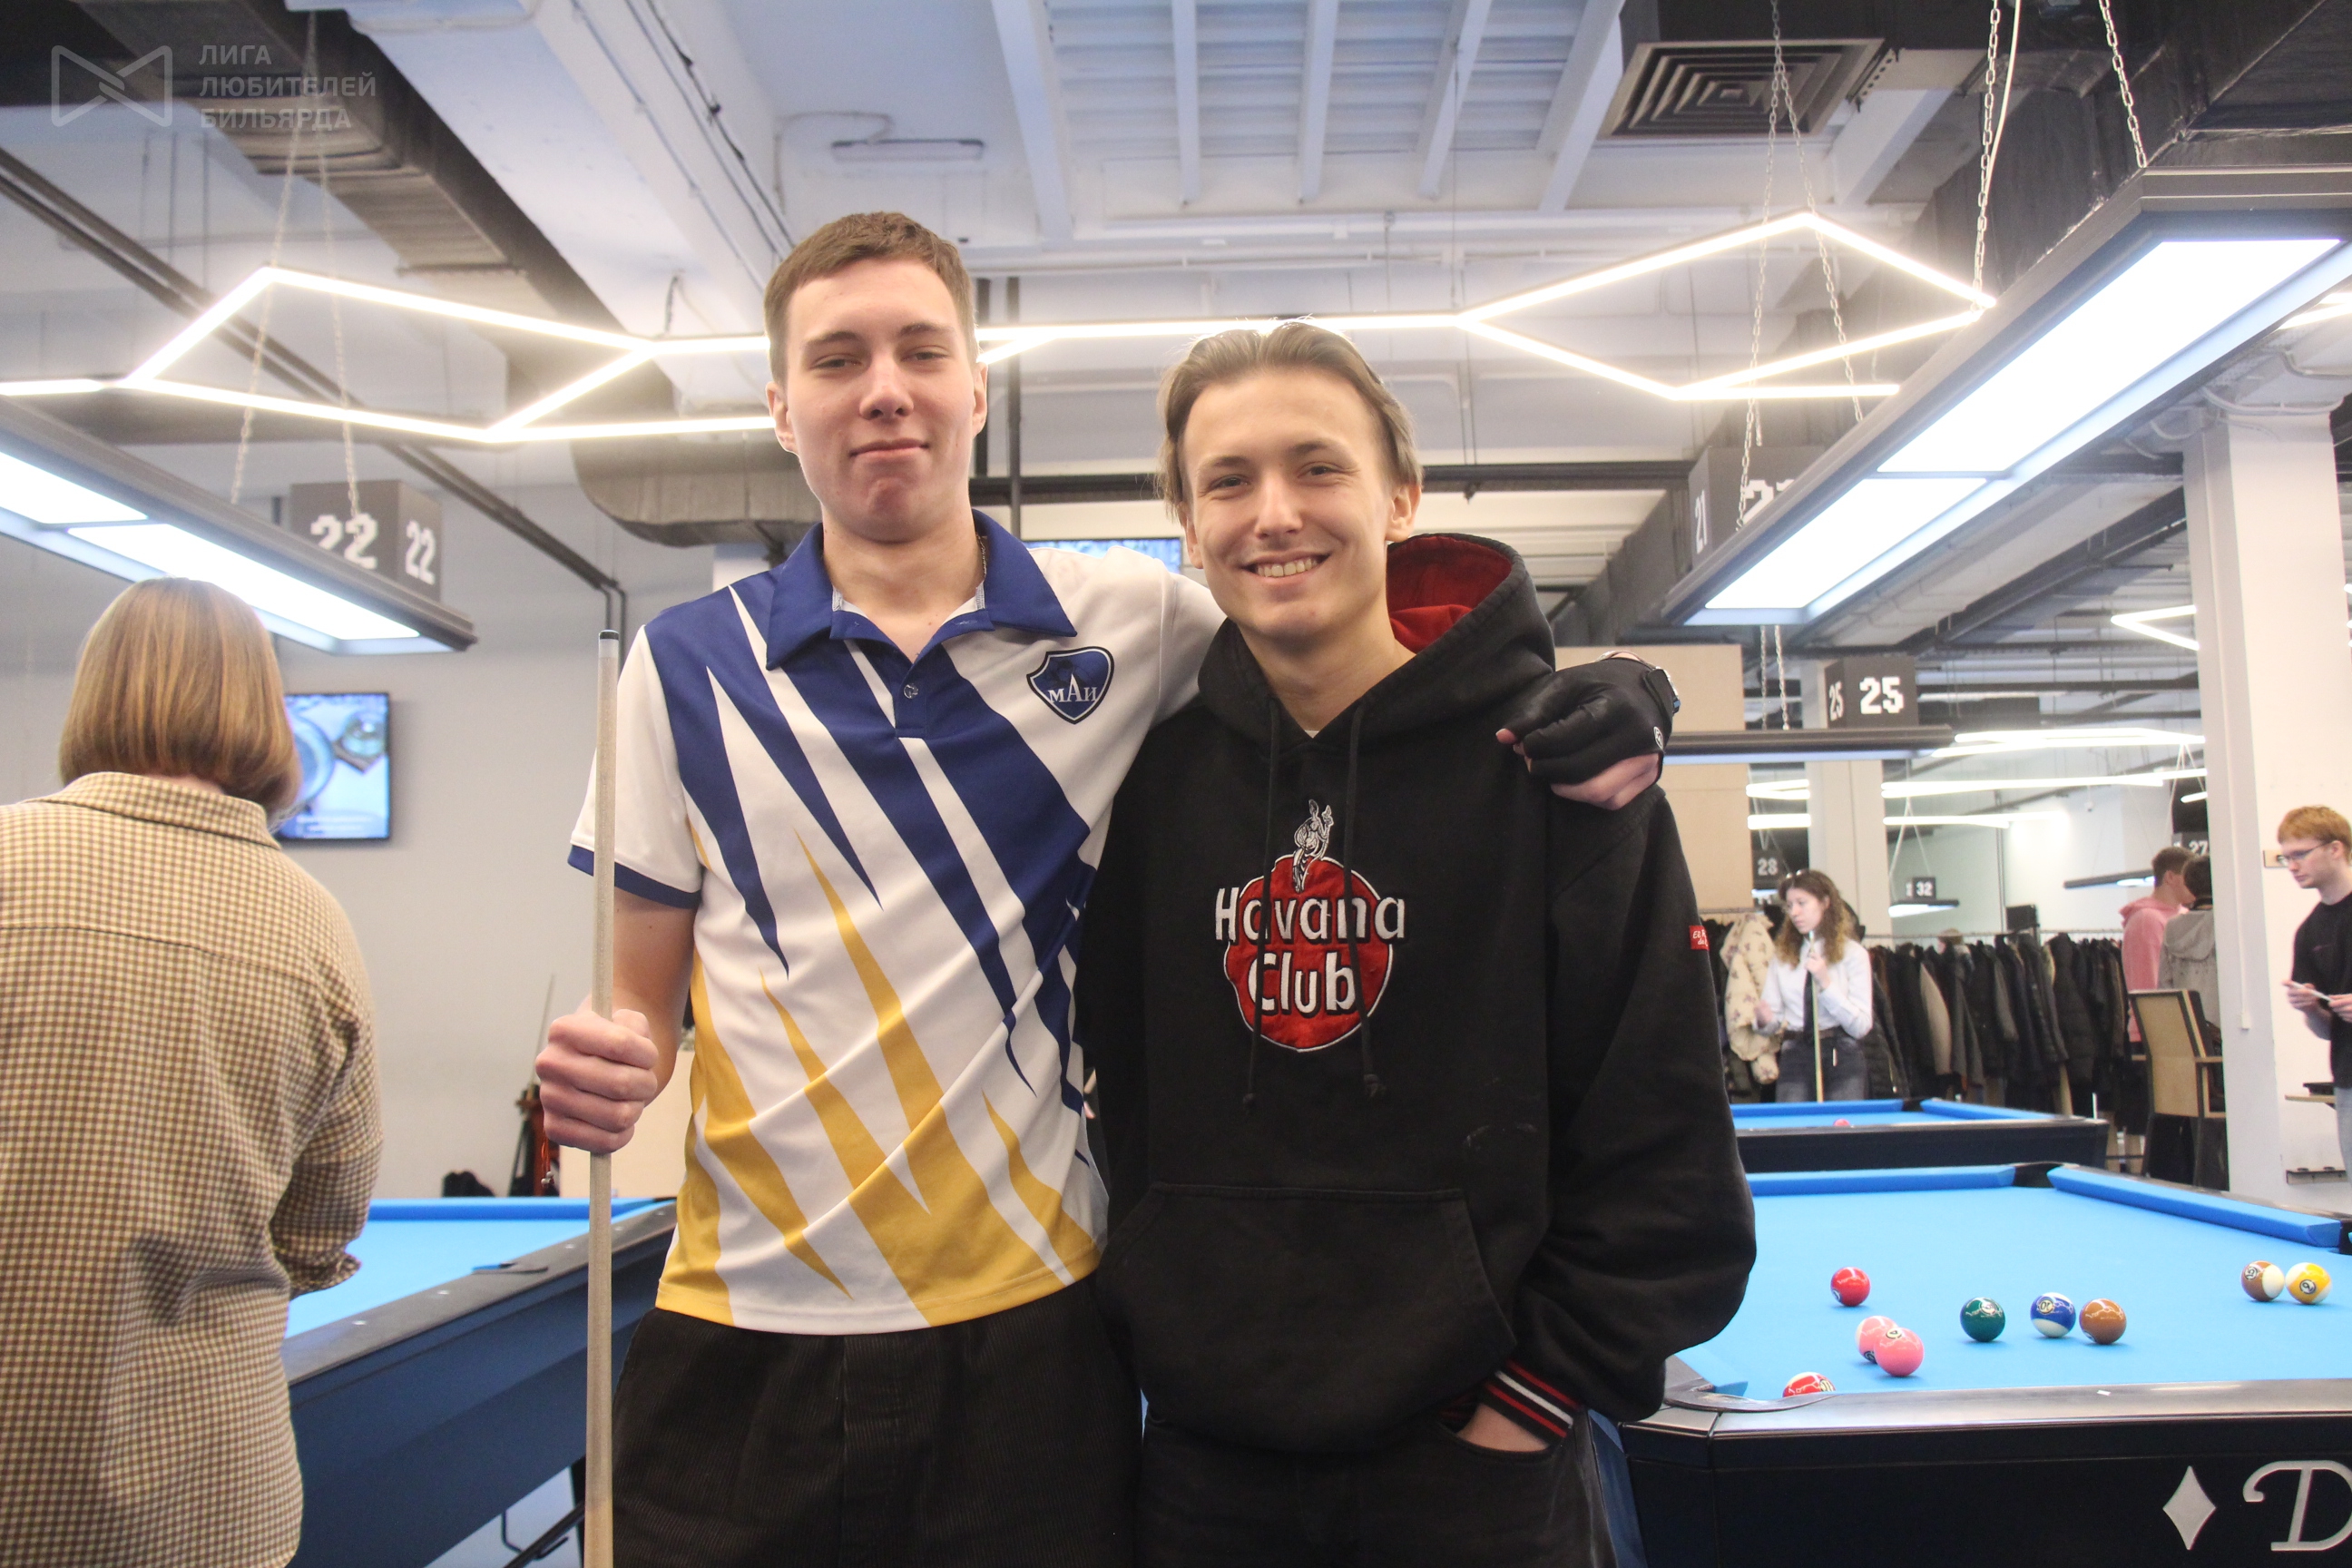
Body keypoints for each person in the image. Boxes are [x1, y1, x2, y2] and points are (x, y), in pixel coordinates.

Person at [529, 211, 1681, 1567]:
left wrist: (1610, 687)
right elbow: (639, 1011)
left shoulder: (1132, 626)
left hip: (1034, 1332)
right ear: (782, 407)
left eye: (920, 351)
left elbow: (1357, 637)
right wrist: (612, 1061)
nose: (884, 388)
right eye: (837, 359)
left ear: (976, 390)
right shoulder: (677, 668)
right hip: (744, 1327)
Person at [1076, 323, 1754, 1566]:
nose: (1274, 513)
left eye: (1317, 467)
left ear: (1401, 497)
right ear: (1187, 523)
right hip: (1203, 1472)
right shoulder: (1141, 790)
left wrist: (1535, 1398)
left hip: (1479, 1475)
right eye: (1228, 480)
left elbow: (1662, 1140)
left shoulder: (1562, 779)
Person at [0, 578, 380, 1568]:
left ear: (95, 693)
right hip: (208, 1501)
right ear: (266, 712)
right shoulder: (315, 927)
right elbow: (320, 1231)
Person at [1754, 868, 1872, 1102]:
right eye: (1790, 906)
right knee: (1793, 1124)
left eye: (1802, 903)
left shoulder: (1854, 955)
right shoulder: (1783, 957)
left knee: (1841, 1124)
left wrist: (1826, 984)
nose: (1794, 912)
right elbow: (1771, 1023)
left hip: (1842, 1054)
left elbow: (1861, 1027)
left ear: (1825, 903)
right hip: (1795, 1055)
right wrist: (1763, 1021)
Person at [2279, 806, 2352, 1182]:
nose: (2292, 866)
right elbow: (2327, 1031)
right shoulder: (2309, 932)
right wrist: (2311, 1010)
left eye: (2300, 854)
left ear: (2335, 849)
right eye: (2286, 857)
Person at [2122, 844, 2195, 996]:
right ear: (2170, 877)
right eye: (2189, 877)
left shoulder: (2184, 914)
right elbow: (2147, 985)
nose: (2194, 883)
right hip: (2162, 1010)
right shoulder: (2146, 920)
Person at [2159, 854, 2218, 1028]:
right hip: (2224, 1026)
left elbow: (2164, 984)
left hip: (2186, 1025)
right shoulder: (2224, 924)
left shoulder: (2173, 927)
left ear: (2188, 884)